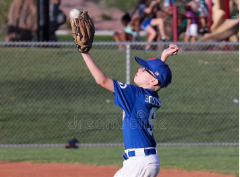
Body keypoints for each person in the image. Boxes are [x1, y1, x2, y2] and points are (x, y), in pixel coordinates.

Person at [80, 43, 179, 177]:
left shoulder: (135, 94)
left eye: (144, 69)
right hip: (148, 160)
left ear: (154, 80)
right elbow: (157, 79)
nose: (139, 69)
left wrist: (84, 52)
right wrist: (163, 57)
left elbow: (101, 80)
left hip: (138, 162)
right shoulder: (153, 96)